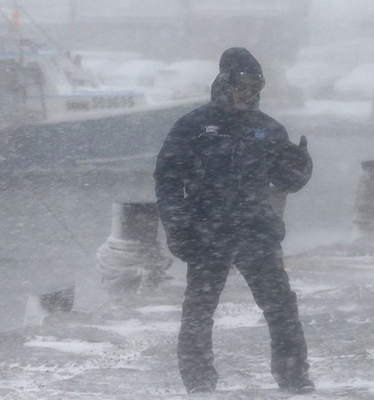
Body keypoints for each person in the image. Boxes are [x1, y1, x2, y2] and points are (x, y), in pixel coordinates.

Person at [153, 47, 314, 394]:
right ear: (223, 84)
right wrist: (177, 227)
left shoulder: (268, 129)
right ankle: (199, 383)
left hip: (255, 231)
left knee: (281, 307)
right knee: (199, 310)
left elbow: (288, 180)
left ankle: (294, 379)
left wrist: (303, 165)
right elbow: (167, 179)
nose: (247, 93)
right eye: (240, 85)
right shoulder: (193, 126)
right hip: (206, 232)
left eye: (254, 87)